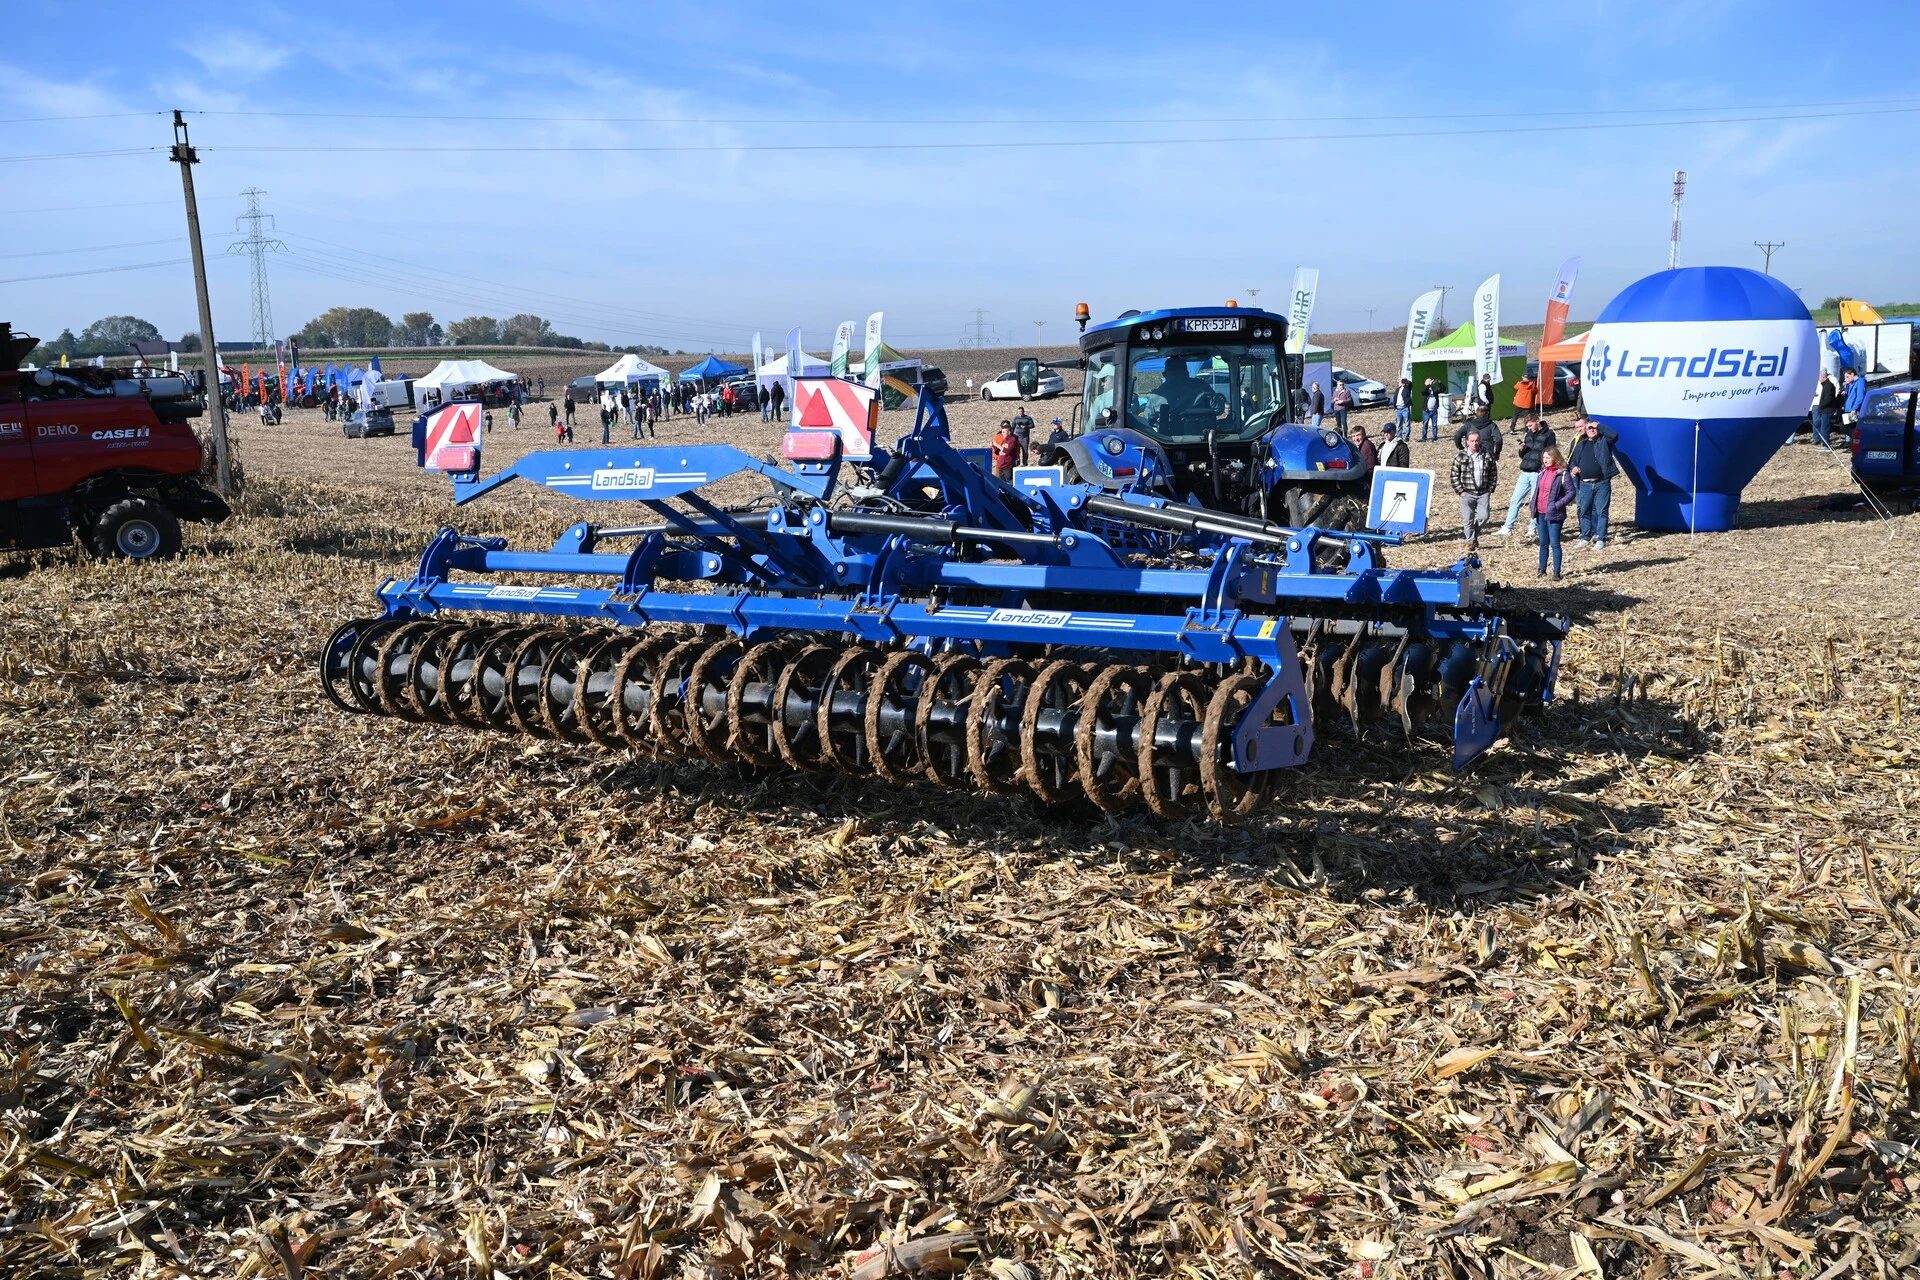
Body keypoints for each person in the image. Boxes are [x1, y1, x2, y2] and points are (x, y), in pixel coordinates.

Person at [1496, 416, 1557, 538]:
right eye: (1527, 426)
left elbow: (1551, 453)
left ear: (1537, 422)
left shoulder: (1549, 434)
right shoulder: (1528, 434)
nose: (1529, 428)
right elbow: (1523, 455)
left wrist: (1544, 467)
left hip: (1538, 472)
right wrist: (1522, 449)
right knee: (1515, 500)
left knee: (1535, 502)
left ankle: (1533, 528)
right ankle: (1508, 527)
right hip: (1525, 471)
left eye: (1530, 425)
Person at [1567, 417, 1620, 549]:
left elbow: (1614, 435)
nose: (1591, 430)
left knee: (1602, 511)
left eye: (1593, 428)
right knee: (1584, 510)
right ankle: (1585, 537)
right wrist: (1573, 468)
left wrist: (1598, 425)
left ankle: (1601, 538)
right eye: (1589, 428)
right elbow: (1573, 461)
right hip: (1584, 483)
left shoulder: (1604, 442)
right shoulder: (1581, 444)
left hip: (1601, 482)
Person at [1450, 429, 1497, 551]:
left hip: (1483, 492)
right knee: (1468, 519)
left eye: (1476, 441)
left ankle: (1474, 534)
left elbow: (1493, 472)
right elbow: (1454, 475)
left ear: (1480, 441)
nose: (1474, 443)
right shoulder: (1460, 456)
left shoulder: (1487, 455)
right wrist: (1460, 491)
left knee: (1484, 516)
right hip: (1467, 492)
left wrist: (1490, 488)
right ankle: (1470, 541)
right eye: (1472, 441)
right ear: (1467, 442)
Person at [1533, 446, 1575, 580]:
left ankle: (1556, 571)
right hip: (1540, 512)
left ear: (1555, 458)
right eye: (1544, 457)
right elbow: (1538, 491)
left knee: (1555, 543)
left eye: (1548, 457)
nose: (1545, 460)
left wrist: (1558, 505)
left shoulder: (1562, 474)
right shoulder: (1542, 472)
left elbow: (1571, 493)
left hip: (1555, 513)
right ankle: (1542, 569)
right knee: (1543, 542)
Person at [1841, 368, 1866, 441]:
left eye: (1847, 377)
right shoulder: (1852, 383)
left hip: (1853, 410)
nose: (1845, 379)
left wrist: (1854, 408)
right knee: (1849, 427)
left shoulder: (1860, 382)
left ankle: (1858, 440)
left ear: (1852, 374)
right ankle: (1852, 442)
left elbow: (1860, 397)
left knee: (1845, 427)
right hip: (1849, 408)